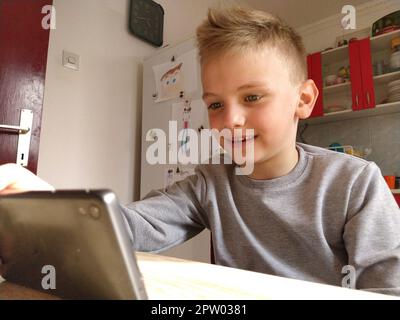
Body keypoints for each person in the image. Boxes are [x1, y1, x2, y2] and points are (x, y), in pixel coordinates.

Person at [1, 7, 399, 296]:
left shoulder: (353, 181)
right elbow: (129, 226)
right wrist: (45, 202)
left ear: (304, 99)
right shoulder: (212, 182)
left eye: (253, 96)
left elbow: (387, 287)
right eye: (215, 104)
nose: (231, 120)